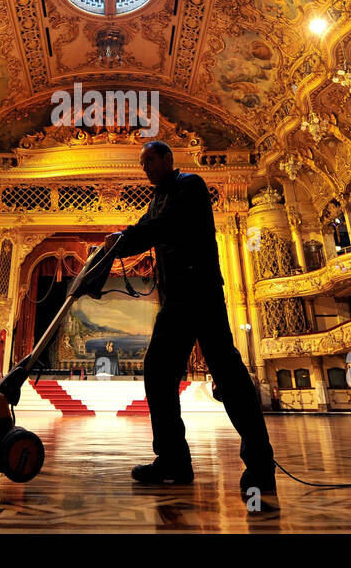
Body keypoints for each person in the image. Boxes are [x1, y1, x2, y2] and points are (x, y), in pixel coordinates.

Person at [105, 140, 276, 498]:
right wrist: (116, 243)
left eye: (150, 160)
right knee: (158, 372)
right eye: (142, 164)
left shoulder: (190, 185)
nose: (145, 168)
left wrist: (123, 239)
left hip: (201, 294)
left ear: (168, 158)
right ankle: (173, 460)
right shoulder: (156, 199)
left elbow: (163, 226)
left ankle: (260, 465)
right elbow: (145, 228)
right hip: (175, 300)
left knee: (228, 376)